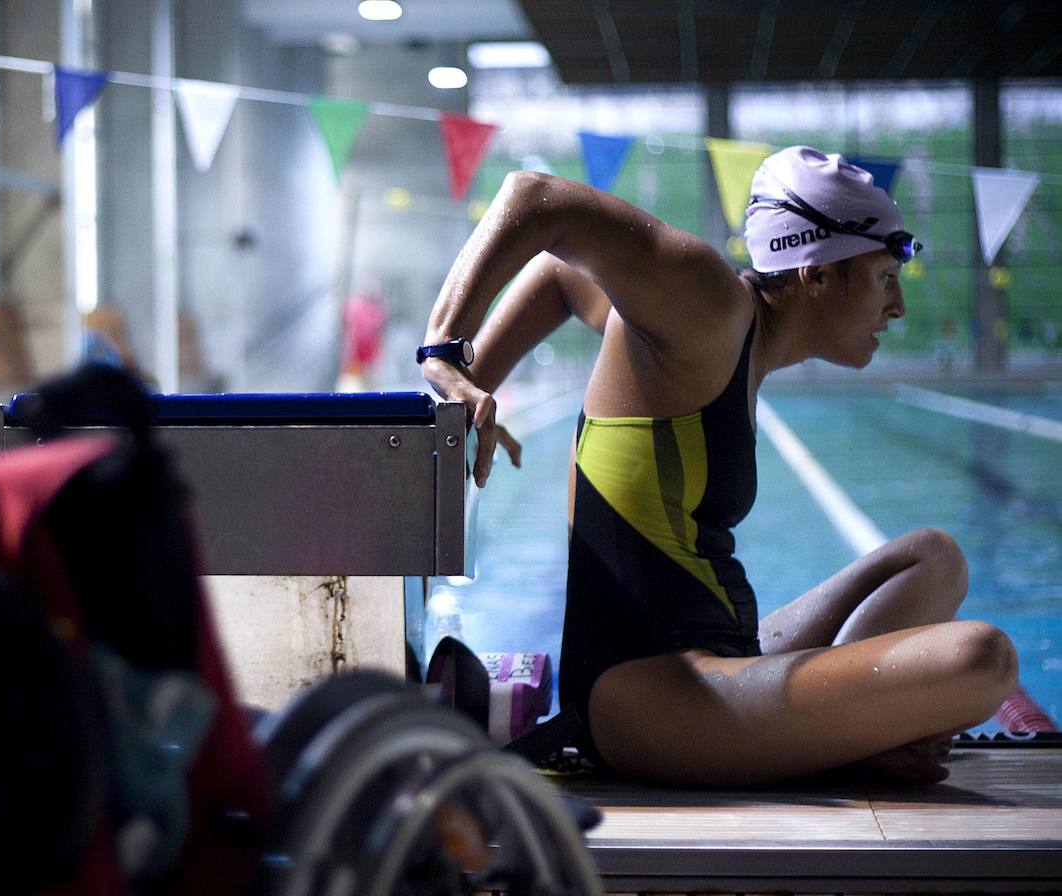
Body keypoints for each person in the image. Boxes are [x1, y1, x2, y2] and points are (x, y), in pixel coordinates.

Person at [418, 146, 1018, 786]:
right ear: (814, 275)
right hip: (650, 697)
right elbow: (537, 198)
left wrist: (483, 385)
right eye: (883, 276)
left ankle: (844, 735)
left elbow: (562, 279)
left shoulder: (712, 331)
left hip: (722, 664)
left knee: (934, 557)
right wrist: (447, 358)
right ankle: (847, 741)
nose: (896, 305)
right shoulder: (709, 305)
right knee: (982, 658)